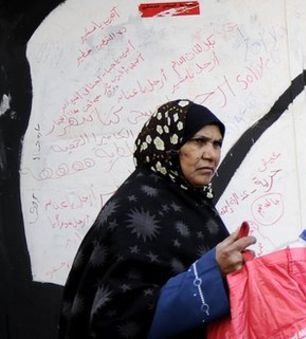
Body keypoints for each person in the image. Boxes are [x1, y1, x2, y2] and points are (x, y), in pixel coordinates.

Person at [58, 99, 256, 339]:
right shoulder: (136, 206)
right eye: (199, 141)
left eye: (217, 144)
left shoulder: (193, 203)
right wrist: (212, 271)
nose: (211, 154)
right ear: (170, 144)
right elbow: (118, 315)